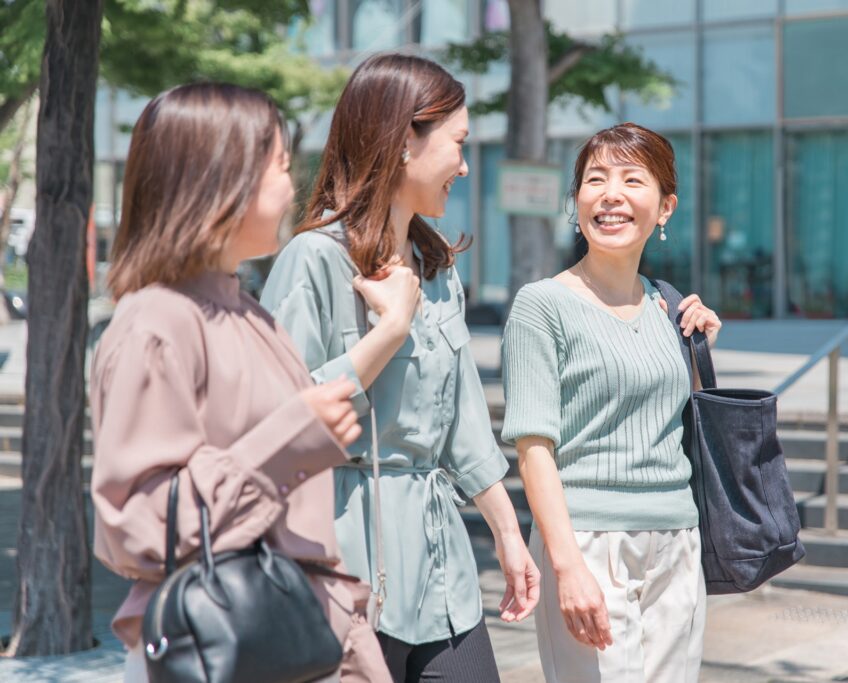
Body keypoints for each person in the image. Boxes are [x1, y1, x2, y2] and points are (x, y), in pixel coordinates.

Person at [89, 82, 391, 682]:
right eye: (280, 166)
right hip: (222, 648)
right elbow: (139, 525)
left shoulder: (250, 312)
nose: (292, 187)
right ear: (221, 179)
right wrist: (288, 443)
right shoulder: (157, 322)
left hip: (295, 638)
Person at [260, 53, 539, 683]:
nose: (466, 167)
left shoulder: (437, 268)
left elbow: (464, 423)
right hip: (341, 559)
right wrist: (390, 330)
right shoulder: (313, 261)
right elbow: (282, 420)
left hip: (442, 564)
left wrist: (508, 535)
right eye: (459, 144)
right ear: (403, 142)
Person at [501, 122, 723, 683]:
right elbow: (533, 448)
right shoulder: (541, 305)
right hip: (587, 540)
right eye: (595, 179)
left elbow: (674, 426)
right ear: (575, 201)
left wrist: (698, 352)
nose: (611, 195)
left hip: (677, 538)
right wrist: (566, 565)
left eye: (632, 180)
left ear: (665, 207)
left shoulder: (669, 307)